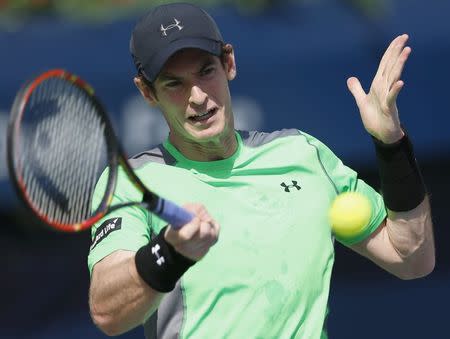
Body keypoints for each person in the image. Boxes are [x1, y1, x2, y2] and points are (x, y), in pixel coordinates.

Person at [87, 2, 435, 338]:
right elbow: (107, 313)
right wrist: (169, 252)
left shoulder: (303, 154)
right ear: (147, 92)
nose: (196, 97)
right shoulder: (132, 183)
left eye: (206, 71)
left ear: (229, 63)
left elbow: (411, 257)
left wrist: (391, 145)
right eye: (173, 83)